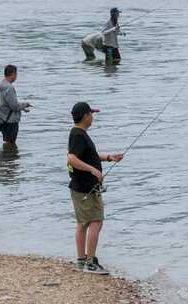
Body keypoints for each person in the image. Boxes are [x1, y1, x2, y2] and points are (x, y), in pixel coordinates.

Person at [67, 102, 124, 275]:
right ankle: (90, 262)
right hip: (85, 188)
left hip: (80, 187)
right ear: (85, 116)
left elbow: (88, 155)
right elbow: (71, 158)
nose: (93, 117)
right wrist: (93, 170)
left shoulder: (79, 134)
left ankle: (82, 259)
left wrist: (108, 157)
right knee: (96, 221)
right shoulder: (78, 135)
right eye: (91, 114)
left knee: (83, 223)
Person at [0, 65, 32, 146]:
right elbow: (14, 106)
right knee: (10, 143)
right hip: (10, 121)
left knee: (7, 142)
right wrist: (25, 105)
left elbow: (5, 103)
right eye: (16, 74)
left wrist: (22, 108)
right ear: (12, 74)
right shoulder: (9, 88)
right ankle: (9, 157)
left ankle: (7, 157)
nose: (16, 76)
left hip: (2, 118)